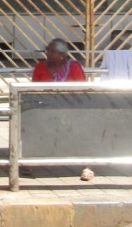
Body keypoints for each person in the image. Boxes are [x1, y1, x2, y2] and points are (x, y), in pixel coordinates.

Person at [30, 38, 94, 181]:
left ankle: (87, 166)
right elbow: (33, 90)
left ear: (62, 55)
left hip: (70, 108)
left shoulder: (74, 67)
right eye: (48, 50)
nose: (48, 54)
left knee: (82, 126)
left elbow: (81, 91)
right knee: (29, 122)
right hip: (46, 108)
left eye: (53, 51)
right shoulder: (40, 67)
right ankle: (29, 160)